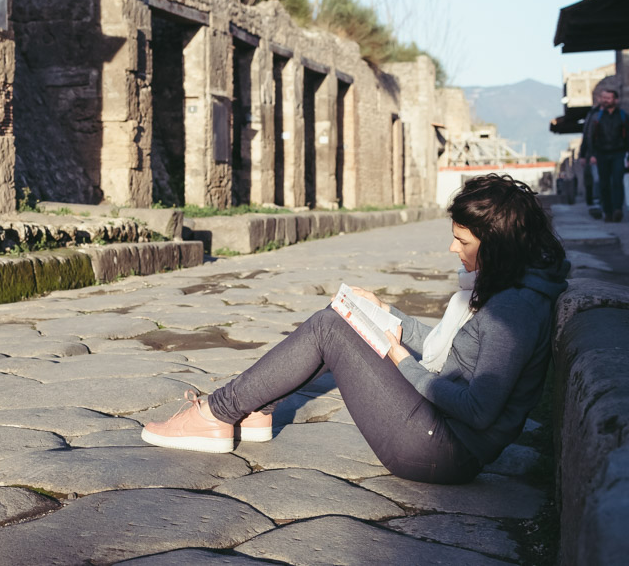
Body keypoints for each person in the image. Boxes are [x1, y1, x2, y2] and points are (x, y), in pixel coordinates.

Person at [141, 174, 569, 485]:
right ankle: (253, 409)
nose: (452, 248)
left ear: (495, 244)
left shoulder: (513, 311)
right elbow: (450, 348)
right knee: (344, 317)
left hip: (441, 450)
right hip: (440, 434)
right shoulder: (512, 286)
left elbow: (479, 410)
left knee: (330, 328)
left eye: (464, 241)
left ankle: (215, 413)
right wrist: (386, 313)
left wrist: (402, 362)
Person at [580, 89, 629, 222]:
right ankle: (607, 211)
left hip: (618, 153)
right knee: (604, 183)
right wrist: (587, 155)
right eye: (603, 97)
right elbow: (588, 136)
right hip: (601, 153)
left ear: (615, 100)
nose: (605, 100)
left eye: (608, 98)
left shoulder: (623, 116)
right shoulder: (596, 115)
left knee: (617, 181)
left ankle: (617, 209)